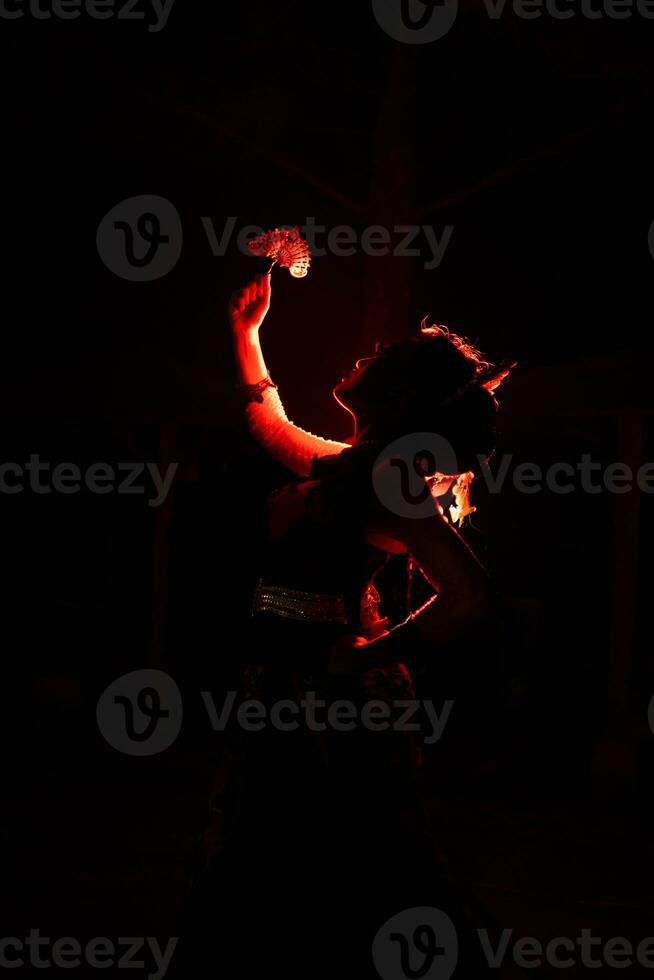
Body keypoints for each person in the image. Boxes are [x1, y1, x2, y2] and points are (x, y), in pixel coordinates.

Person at [175, 272, 512, 979]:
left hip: (332, 712)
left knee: (335, 869)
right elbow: (272, 428)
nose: (365, 354)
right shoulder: (353, 466)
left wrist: (362, 662)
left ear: (400, 394)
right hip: (289, 695)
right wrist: (247, 334)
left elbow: (469, 597)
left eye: (382, 355)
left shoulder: (386, 477)